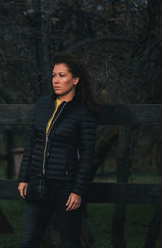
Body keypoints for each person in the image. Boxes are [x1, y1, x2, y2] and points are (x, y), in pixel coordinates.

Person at [17, 51, 99, 248]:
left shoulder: (83, 111)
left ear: (76, 79)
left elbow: (88, 155)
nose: (56, 80)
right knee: (29, 241)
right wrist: (23, 177)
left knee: (70, 242)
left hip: (66, 188)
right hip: (38, 183)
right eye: (54, 75)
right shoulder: (43, 104)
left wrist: (78, 191)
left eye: (62, 76)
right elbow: (31, 143)